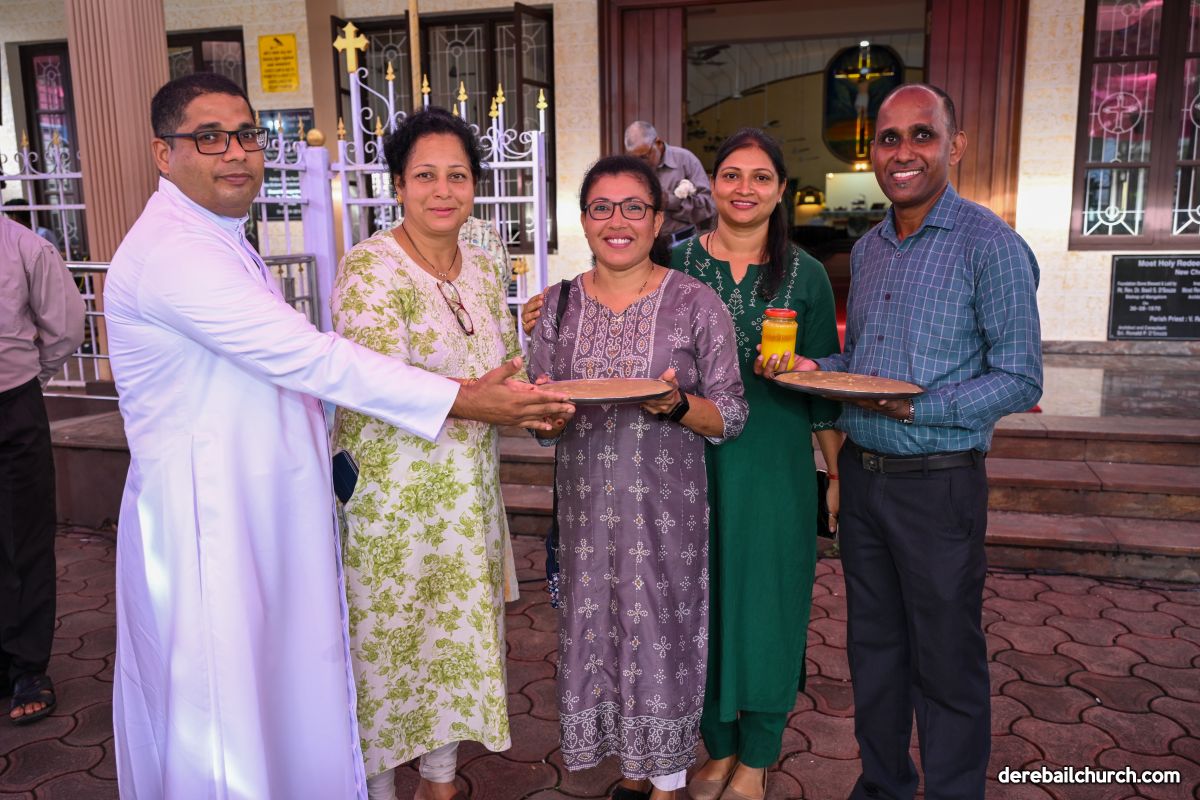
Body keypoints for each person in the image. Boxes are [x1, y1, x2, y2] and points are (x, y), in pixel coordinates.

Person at [103, 73, 572, 800]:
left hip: (265, 500)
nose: (236, 152)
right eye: (210, 138)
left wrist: (520, 397)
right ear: (164, 153)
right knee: (223, 699)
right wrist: (468, 398)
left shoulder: (217, 238)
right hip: (211, 514)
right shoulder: (177, 253)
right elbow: (316, 359)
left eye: (246, 135)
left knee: (273, 688)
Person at [769, 83, 1042, 800]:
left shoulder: (990, 244)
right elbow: (865, 365)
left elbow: (1020, 377)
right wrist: (817, 370)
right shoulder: (870, 249)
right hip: (865, 482)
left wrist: (917, 408)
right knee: (875, 654)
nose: (903, 151)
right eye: (889, 138)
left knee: (946, 661)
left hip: (938, 485)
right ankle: (883, 786)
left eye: (922, 134)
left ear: (955, 146)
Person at [529, 155, 748, 800]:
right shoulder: (558, 306)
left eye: (634, 207)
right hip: (586, 515)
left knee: (660, 631)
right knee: (597, 632)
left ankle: (668, 780)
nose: (617, 221)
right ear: (584, 220)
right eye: (602, 207)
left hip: (666, 512)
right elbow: (541, 421)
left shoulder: (695, 303)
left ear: (657, 221)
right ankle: (631, 769)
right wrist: (544, 415)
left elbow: (731, 415)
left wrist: (675, 404)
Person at [330, 107, 524, 800]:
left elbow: (505, 363)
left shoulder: (484, 261)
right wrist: (486, 401)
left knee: (452, 644)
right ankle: (377, 789)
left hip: (465, 499)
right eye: (425, 176)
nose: (443, 191)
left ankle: (439, 783)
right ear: (398, 186)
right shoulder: (370, 268)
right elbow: (378, 383)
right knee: (385, 652)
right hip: (389, 504)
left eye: (458, 176)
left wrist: (538, 401)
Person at [672, 129, 843, 800]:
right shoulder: (676, 263)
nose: (744, 188)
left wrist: (835, 475)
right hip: (688, 463)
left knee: (770, 603)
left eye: (761, 177)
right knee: (699, 603)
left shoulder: (806, 275)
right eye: (731, 174)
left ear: (780, 191)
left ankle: (759, 753)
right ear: (712, 184)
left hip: (774, 466)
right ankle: (718, 746)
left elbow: (825, 389)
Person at [0, 213, 84, 726]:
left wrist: (30, 381)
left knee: (25, 538)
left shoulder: (26, 247)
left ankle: (27, 668)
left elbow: (65, 328)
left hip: (12, 405)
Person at [624, 121, 716, 245]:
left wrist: (670, 202)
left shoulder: (685, 160)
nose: (639, 163)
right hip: (645, 244)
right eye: (634, 158)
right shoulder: (630, 168)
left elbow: (709, 206)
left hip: (683, 242)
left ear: (658, 143)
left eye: (644, 157)